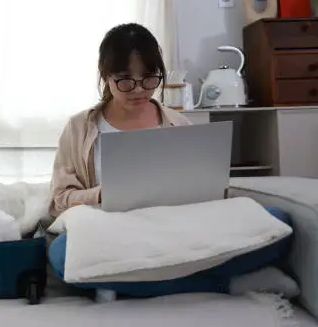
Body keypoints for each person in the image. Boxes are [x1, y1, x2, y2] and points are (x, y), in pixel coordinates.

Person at [48, 23, 293, 300]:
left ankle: (119, 282)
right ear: (106, 76)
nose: (139, 90)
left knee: (276, 222)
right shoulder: (80, 127)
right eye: (125, 80)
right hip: (115, 232)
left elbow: (207, 191)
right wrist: (103, 194)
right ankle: (223, 281)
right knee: (62, 254)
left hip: (177, 227)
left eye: (150, 78)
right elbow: (60, 199)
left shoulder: (178, 124)